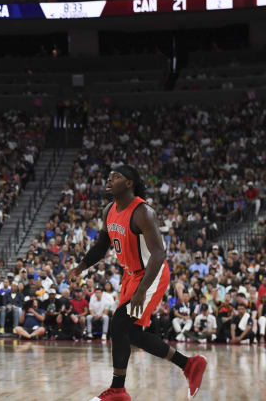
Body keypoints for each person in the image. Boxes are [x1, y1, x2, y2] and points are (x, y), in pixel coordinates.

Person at [69, 165, 207, 401]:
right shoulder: (108, 210)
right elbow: (102, 246)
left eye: (117, 176)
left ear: (129, 183)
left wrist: (142, 290)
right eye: (109, 174)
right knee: (129, 332)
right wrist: (81, 267)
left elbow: (158, 254)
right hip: (130, 275)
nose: (110, 178)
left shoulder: (143, 212)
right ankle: (189, 365)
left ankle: (118, 390)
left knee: (119, 324)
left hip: (151, 274)